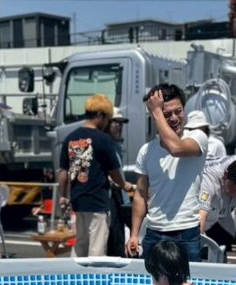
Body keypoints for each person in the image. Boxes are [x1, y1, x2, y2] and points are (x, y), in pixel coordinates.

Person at [127, 84, 208, 263]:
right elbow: (140, 194)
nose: (174, 118)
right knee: (150, 280)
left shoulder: (197, 137)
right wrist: (134, 234)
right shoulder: (146, 151)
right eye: (167, 114)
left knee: (188, 281)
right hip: (154, 231)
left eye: (178, 111)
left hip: (187, 232)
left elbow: (176, 148)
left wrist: (157, 111)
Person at [57, 93, 130, 257]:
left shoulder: (70, 138)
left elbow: (63, 173)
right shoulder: (103, 139)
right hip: (97, 201)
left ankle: (74, 272)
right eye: (107, 118)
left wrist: (63, 196)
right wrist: (124, 185)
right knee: (97, 247)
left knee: (80, 244)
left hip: (78, 200)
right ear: (99, 115)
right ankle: (94, 274)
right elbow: (115, 172)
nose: (106, 123)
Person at [107, 106, 134, 258]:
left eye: (121, 123)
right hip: (109, 195)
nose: (120, 126)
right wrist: (121, 183)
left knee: (119, 234)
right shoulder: (104, 144)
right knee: (112, 235)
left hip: (119, 195)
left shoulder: (117, 145)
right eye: (116, 122)